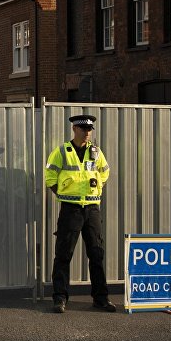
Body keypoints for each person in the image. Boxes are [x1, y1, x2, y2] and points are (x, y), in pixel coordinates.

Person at [45, 115, 116, 313]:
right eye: (84, 129)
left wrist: (97, 188)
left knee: (96, 254)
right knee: (63, 254)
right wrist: (62, 192)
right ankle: (59, 298)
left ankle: (101, 299)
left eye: (90, 129)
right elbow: (50, 176)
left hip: (92, 209)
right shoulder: (61, 151)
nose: (88, 133)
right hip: (71, 209)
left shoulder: (96, 151)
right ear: (74, 129)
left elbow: (105, 172)